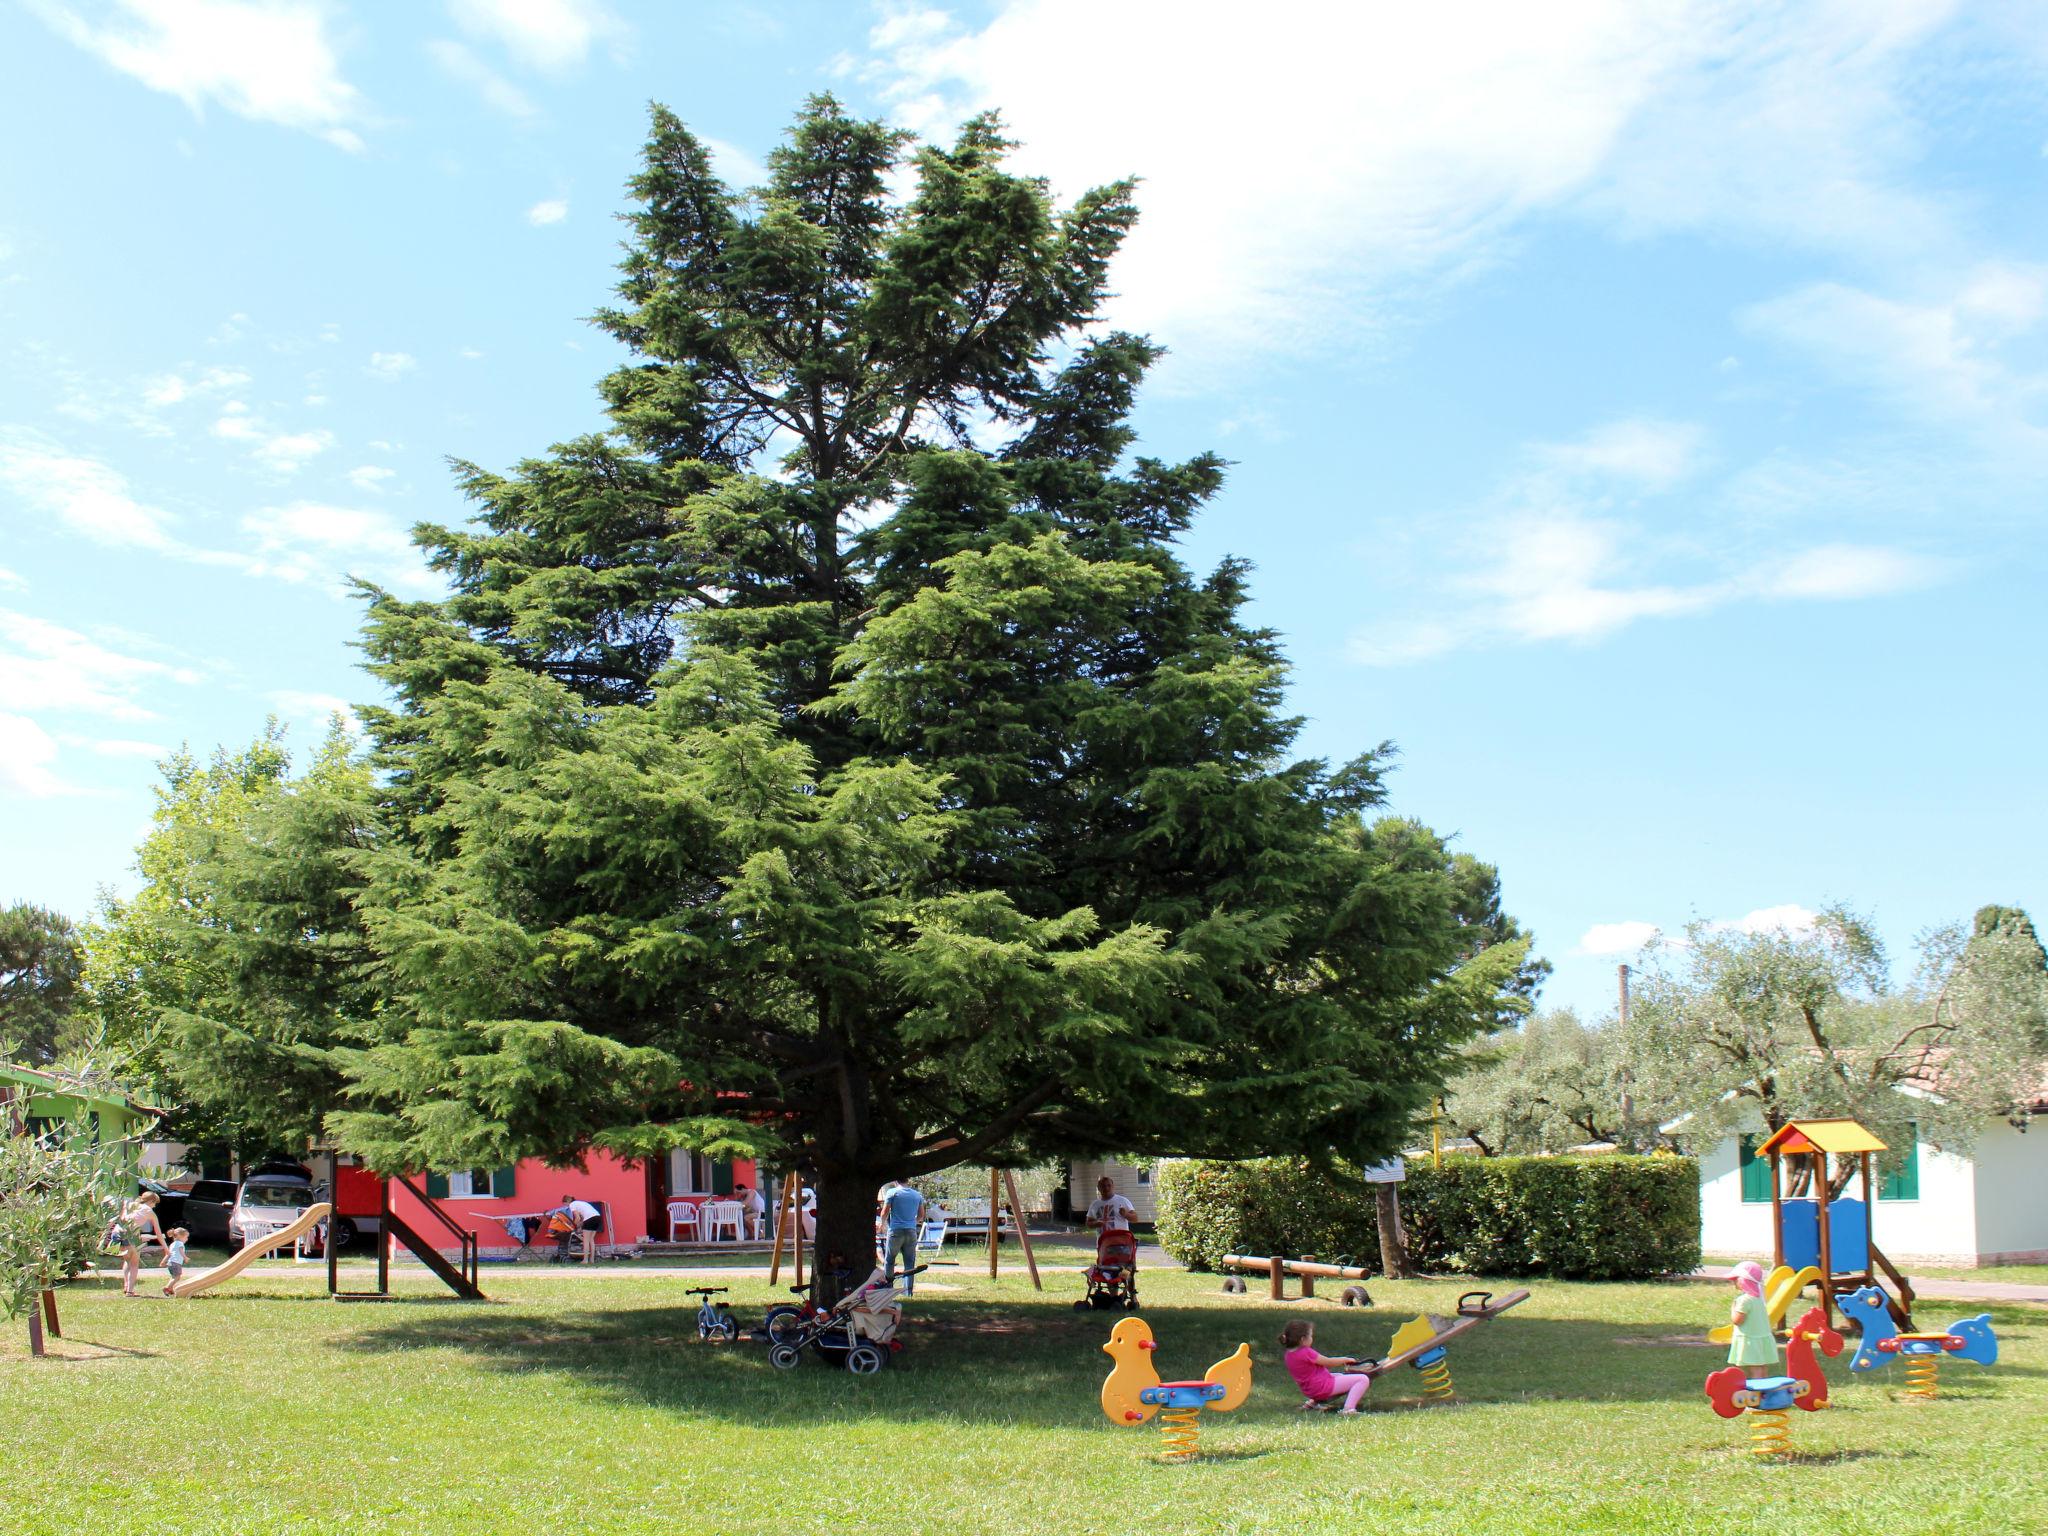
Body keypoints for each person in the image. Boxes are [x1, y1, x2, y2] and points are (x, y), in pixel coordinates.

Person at [1281, 1319, 1372, 1414]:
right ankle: (1348, 1409)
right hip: (1322, 1387)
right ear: (1303, 1339)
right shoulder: (1306, 1352)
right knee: (1363, 1379)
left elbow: (1310, 1369)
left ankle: (1312, 1402)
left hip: (1310, 1389)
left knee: (1340, 1376)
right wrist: (1345, 1360)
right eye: (1311, 1336)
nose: (1312, 1338)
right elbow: (1328, 1362)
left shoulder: (1289, 1354)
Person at [1725, 1259, 1779, 1369]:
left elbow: (1737, 1321)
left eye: (1735, 1280)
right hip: (1760, 1338)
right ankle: (1763, 1383)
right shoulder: (1759, 1298)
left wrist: (1733, 1309)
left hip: (1750, 1339)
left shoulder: (1744, 1300)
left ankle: (1756, 1384)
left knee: (1754, 1366)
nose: (1734, 1283)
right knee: (1761, 1365)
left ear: (1742, 1281)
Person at [112, 1191, 164, 1298]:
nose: (154, 1206)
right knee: (134, 1264)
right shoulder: (149, 1211)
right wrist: (166, 1249)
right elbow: (158, 1233)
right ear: (151, 1201)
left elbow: (122, 1217)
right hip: (129, 1235)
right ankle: (130, 1291)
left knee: (127, 1260)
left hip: (116, 1233)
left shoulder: (131, 1205)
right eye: (155, 1203)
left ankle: (126, 1286)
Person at [878, 1178, 925, 1294]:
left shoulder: (892, 1192)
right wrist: (912, 1223)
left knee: (889, 1260)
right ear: (908, 1180)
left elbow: (885, 1212)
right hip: (911, 1231)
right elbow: (921, 1215)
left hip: (896, 1231)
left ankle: (888, 1288)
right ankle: (908, 1291)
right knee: (909, 1261)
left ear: (895, 1181)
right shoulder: (917, 1195)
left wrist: (882, 1224)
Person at [558, 1194, 603, 1263]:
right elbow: (582, 1220)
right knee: (591, 1240)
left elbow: (577, 1218)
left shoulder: (572, 1205)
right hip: (597, 1217)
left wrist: (573, 1226)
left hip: (590, 1218)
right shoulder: (580, 1203)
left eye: (565, 1204)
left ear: (567, 1202)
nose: (566, 1206)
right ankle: (592, 1260)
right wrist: (579, 1226)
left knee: (585, 1240)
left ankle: (585, 1260)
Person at [160, 1227, 190, 1297]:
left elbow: (169, 1254)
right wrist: (185, 1257)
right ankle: (167, 1288)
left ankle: (170, 1290)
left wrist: (163, 1262)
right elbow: (181, 1251)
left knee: (174, 1277)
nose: (187, 1239)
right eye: (186, 1237)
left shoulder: (172, 1244)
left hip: (171, 1262)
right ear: (180, 1236)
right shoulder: (180, 1243)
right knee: (177, 1277)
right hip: (176, 1263)